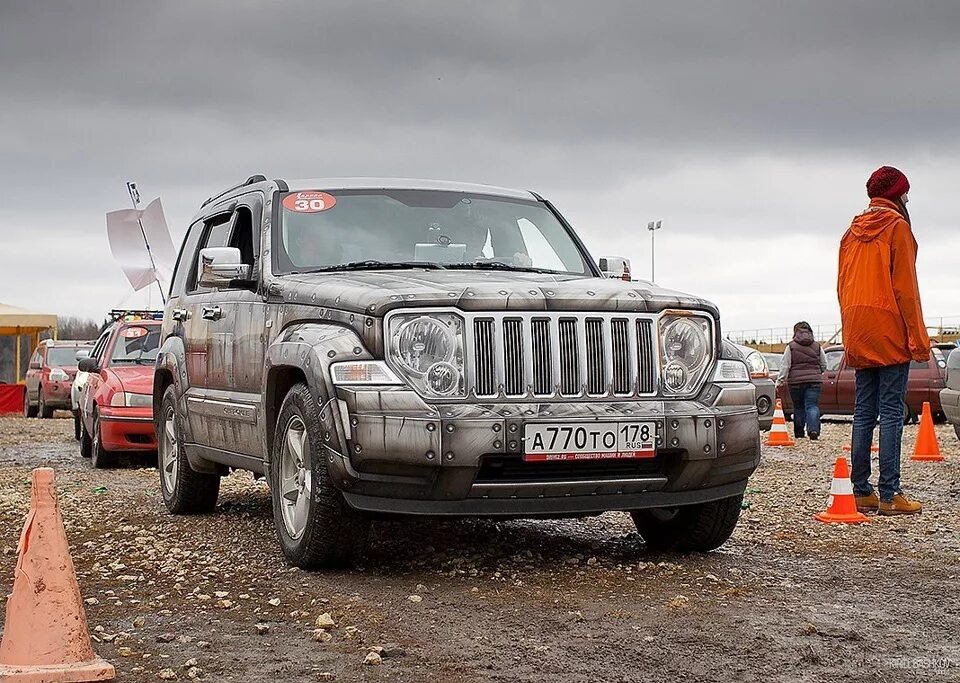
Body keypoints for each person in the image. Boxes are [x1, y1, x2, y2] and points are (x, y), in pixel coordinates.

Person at [837, 166, 929, 516]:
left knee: (864, 412)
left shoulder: (850, 232)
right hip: (889, 329)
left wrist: (850, 331)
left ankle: (861, 490)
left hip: (859, 328)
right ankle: (891, 494)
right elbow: (907, 291)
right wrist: (918, 340)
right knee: (891, 411)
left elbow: (842, 286)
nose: (908, 198)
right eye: (905, 192)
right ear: (895, 195)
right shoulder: (897, 228)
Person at [775, 321, 827, 440]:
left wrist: (780, 381)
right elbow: (824, 364)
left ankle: (799, 433)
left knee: (798, 407)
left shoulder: (791, 346)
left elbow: (785, 365)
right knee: (812, 406)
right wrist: (817, 373)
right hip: (814, 381)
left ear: (795, 332)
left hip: (795, 382)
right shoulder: (817, 346)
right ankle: (813, 430)